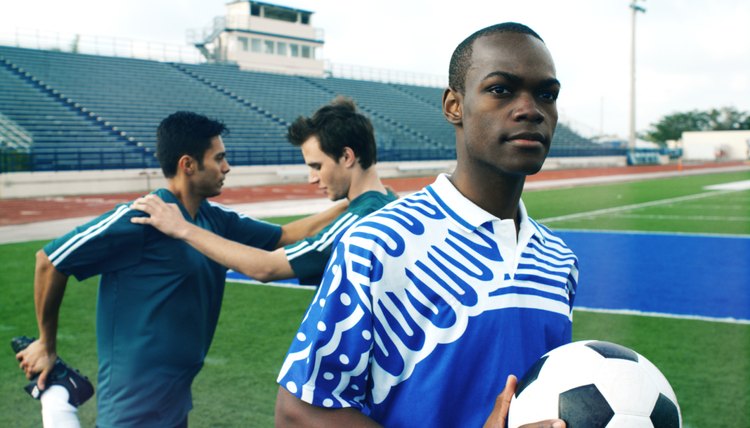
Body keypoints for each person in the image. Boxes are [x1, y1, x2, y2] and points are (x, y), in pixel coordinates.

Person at [274, 22, 578, 428]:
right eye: (501, 89)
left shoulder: (559, 260)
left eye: (547, 94)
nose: (530, 109)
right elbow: (299, 412)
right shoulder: (378, 243)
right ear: (454, 105)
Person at [15, 111, 345, 427]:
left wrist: (352, 202)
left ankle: (58, 394)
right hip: (134, 397)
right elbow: (50, 259)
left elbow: (284, 235)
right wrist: (47, 343)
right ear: (188, 164)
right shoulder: (141, 217)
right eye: (218, 158)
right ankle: (57, 395)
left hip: (176, 391)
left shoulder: (213, 219)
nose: (227, 167)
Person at [130, 98, 398, 287]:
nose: (312, 178)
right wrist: (346, 205)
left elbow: (266, 267)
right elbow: (285, 237)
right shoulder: (385, 204)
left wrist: (182, 228)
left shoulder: (361, 220)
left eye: (317, 166)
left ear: (347, 156)